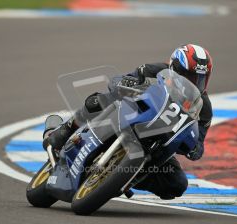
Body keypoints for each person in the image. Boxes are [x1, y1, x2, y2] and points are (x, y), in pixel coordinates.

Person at [43, 44, 213, 199]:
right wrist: (126, 83)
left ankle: (124, 178)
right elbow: (117, 82)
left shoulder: (203, 108)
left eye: (200, 78)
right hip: (131, 115)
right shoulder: (154, 70)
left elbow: (199, 144)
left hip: (159, 143)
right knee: (98, 101)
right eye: (190, 76)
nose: (194, 83)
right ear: (174, 68)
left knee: (177, 185)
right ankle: (65, 130)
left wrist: (192, 148)